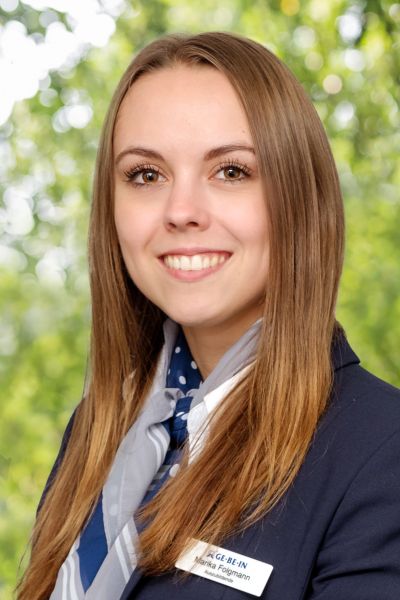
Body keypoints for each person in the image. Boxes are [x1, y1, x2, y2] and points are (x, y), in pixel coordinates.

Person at [17, 32, 400, 600]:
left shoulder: (383, 451)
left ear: (300, 198)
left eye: (231, 171)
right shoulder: (98, 431)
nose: (181, 211)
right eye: (146, 175)